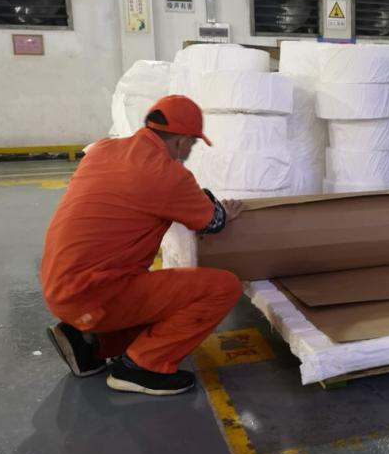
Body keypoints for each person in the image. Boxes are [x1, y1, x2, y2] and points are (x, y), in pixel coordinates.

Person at [41, 95, 244, 395]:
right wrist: (222, 209)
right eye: (191, 144)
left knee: (156, 297)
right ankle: (142, 367)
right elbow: (212, 222)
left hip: (60, 286)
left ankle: (87, 343)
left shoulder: (102, 150)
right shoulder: (167, 174)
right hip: (94, 295)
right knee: (223, 287)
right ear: (181, 141)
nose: (189, 151)